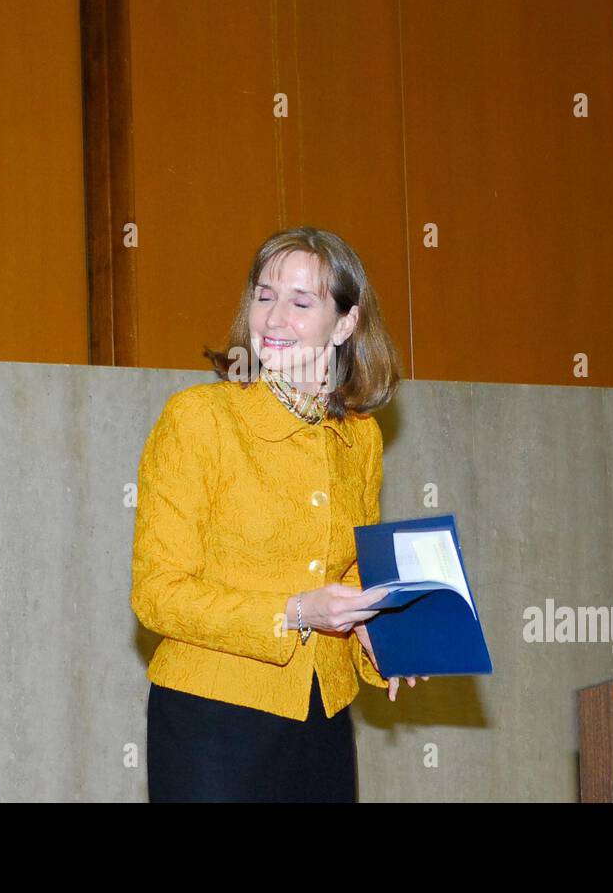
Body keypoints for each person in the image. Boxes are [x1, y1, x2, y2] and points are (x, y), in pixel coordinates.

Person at [130, 226, 428, 803]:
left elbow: (347, 571)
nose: (273, 318)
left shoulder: (360, 438)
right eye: (264, 295)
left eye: (300, 301)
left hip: (323, 720)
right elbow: (157, 594)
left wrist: (377, 630)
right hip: (210, 720)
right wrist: (294, 612)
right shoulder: (199, 418)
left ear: (345, 323)